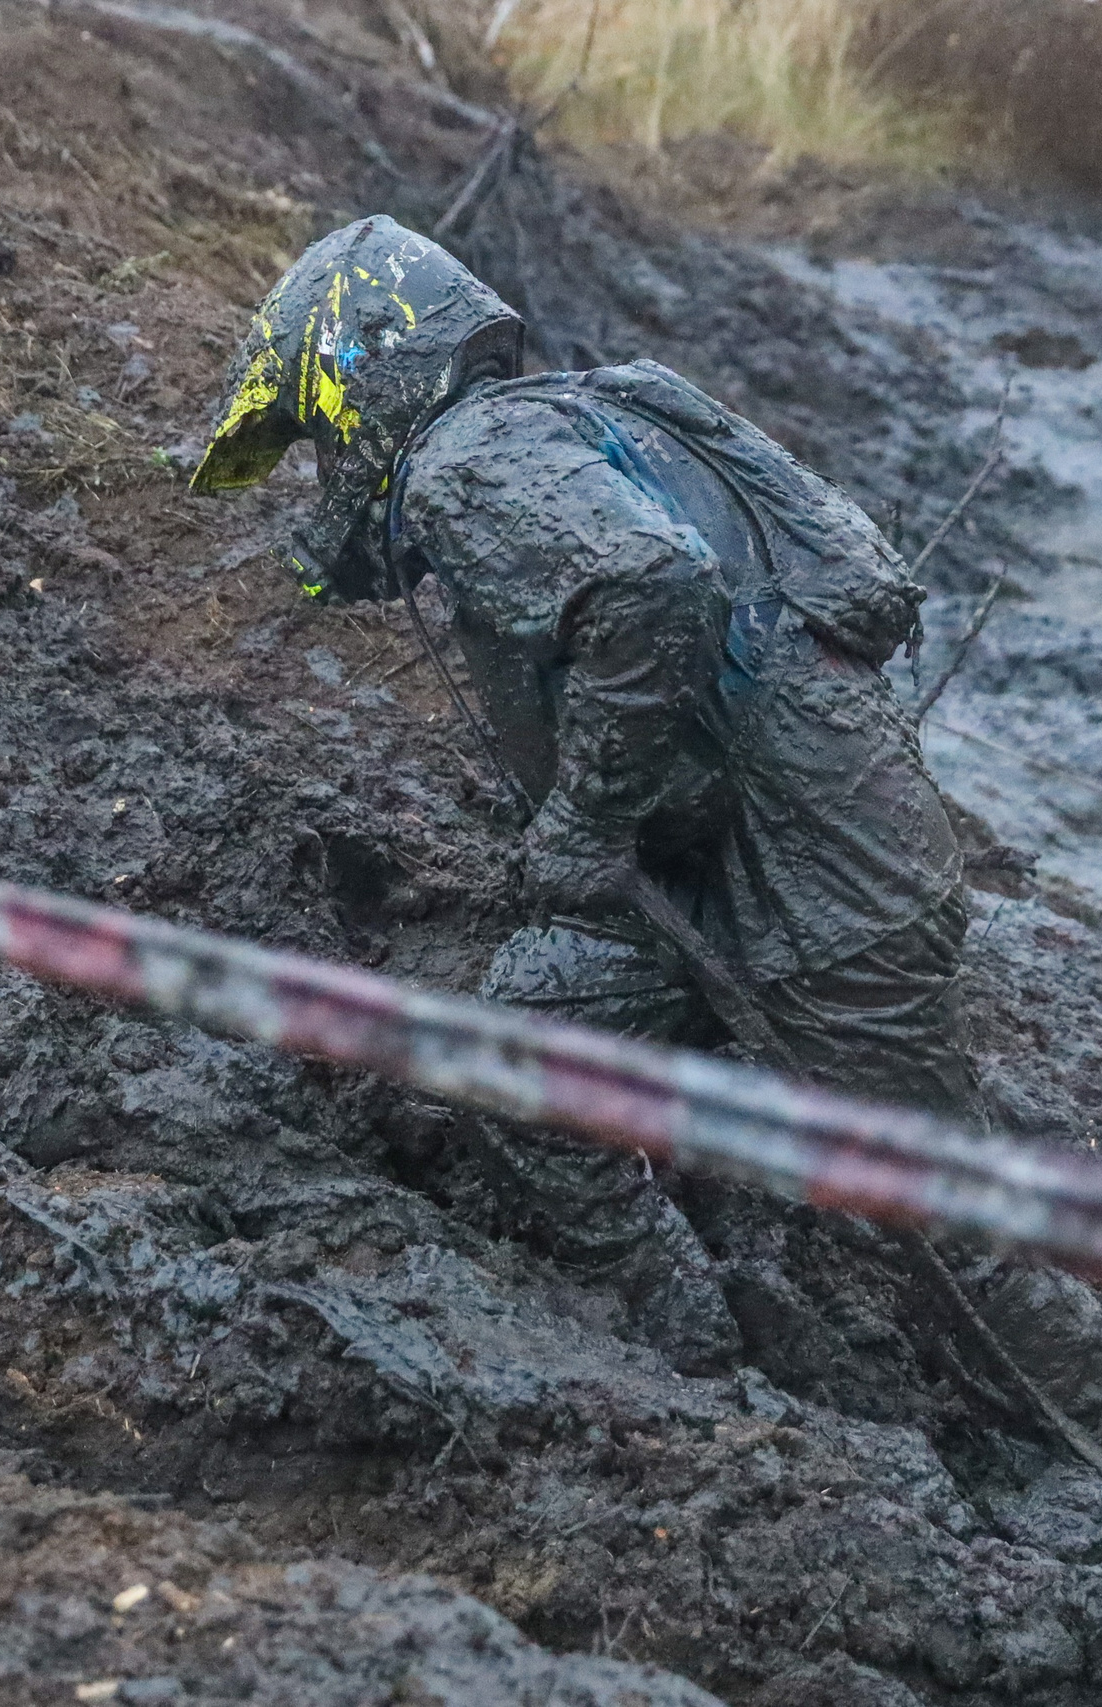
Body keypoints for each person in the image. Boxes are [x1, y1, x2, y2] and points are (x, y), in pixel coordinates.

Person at [188, 218, 983, 1367]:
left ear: (358, 371)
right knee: (520, 1041)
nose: (328, 466)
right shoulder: (581, 415)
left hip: (819, 887)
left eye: (318, 432)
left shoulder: (468, 461)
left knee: (967, 1230)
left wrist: (584, 817)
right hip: (724, 868)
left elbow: (652, 583)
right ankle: (697, 1347)